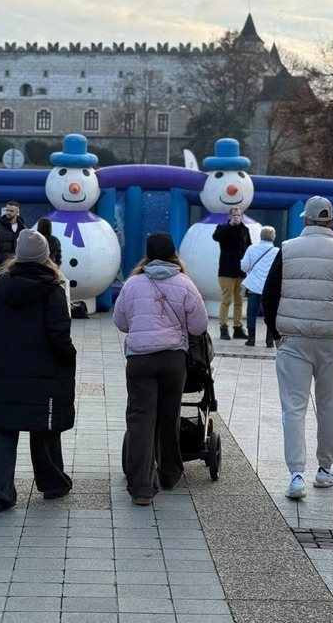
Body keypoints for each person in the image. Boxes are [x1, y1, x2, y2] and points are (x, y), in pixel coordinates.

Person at [262, 196, 333, 497]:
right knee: (329, 407)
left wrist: (277, 334)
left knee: (293, 408)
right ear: (331, 221)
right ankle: (325, 469)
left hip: (293, 340)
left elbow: (270, 296)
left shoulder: (288, 249)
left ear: (305, 220)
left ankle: (296, 475)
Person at [0, 229, 76, 514]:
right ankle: (53, 484)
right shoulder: (53, 290)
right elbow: (59, 334)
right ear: (47, 257)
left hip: (4, 369)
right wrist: (68, 357)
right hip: (43, 372)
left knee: (1, 426)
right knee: (44, 426)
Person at [113, 232, 209, 506]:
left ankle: (142, 488)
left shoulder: (132, 283)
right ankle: (169, 475)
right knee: (169, 416)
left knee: (140, 419)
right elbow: (198, 327)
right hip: (172, 360)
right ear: (173, 253)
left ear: (147, 254)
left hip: (140, 360)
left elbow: (120, 322)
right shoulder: (185, 283)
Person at [212, 206, 252, 340]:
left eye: (239, 215)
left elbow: (249, 248)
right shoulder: (222, 228)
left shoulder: (245, 230)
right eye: (234, 215)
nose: (236, 217)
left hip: (240, 272)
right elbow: (216, 237)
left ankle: (237, 327)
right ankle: (223, 327)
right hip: (226, 271)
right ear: (229, 216)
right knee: (226, 299)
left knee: (239, 301)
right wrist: (230, 225)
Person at [240, 226, 280, 347]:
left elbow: (244, 267)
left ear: (261, 236)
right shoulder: (277, 251)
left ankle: (251, 339)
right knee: (270, 313)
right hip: (269, 288)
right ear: (273, 237)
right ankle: (269, 340)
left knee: (251, 312)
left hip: (253, 286)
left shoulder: (252, 249)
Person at [0, 201, 28, 271]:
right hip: (2, 266)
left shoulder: (23, 229)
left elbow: (26, 246)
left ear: (17, 212)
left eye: (11, 211)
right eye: (7, 210)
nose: (8, 212)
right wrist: (0, 259)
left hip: (18, 266)